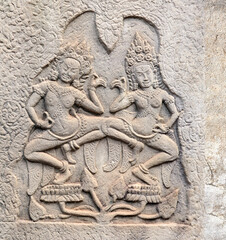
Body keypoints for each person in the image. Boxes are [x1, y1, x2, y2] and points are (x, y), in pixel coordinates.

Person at [24, 41, 144, 184]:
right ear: (58, 66)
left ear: (78, 75)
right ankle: (64, 167)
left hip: (74, 126)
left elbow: (98, 110)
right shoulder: (47, 86)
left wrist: (92, 89)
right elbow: (30, 105)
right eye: (65, 67)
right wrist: (39, 122)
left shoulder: (74, 93)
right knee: (29, 152)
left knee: (106, 124)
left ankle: (133, 142)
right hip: (53, 132)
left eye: (73, 71)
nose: (67, 73)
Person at [68, 33, 179, 185]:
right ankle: (78, 144)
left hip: (153, 134)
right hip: (133, 129)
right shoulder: (135, 95)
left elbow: (174, 113)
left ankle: (142, 169)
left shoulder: (162, 93)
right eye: (140, 75)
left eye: (147, 73)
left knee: (173, 152)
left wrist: (166, 125)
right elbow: (114, 108)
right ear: (134, 79)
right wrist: (123, 93)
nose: (145, 78)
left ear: (154, 75)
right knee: (106, 124)